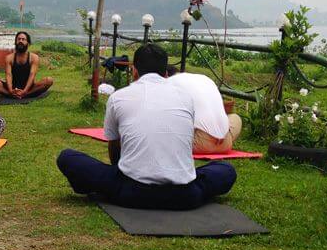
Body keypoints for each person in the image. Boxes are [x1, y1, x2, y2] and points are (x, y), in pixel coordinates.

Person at [56, 43, 236, 210]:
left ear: (134, 71)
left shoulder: (118, 97)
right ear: (166, 73)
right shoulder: (186, 98)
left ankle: (105, 187)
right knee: (226, 170)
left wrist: (119, 174)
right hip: (185, 196)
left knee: (68, 157)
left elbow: (114, 145)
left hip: (132, 193)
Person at [167, 71, 243, 154]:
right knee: (235, 118)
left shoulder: (170, 84)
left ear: (166, 74)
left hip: (198, 144)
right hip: (225, 144)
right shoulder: (205, 79)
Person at [0, 31, 54, 99]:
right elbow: (8, 75)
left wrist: (25, 91)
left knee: (49, 80)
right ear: (16, 42)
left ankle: (25, 94)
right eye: (19, 39)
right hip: (12, 87)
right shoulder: (9, 58)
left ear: (28, 43)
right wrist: (10, 90)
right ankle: (12, 94)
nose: (20, 41)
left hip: (29, 88)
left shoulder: (34, 58)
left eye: (23, 39)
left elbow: (32, 75)